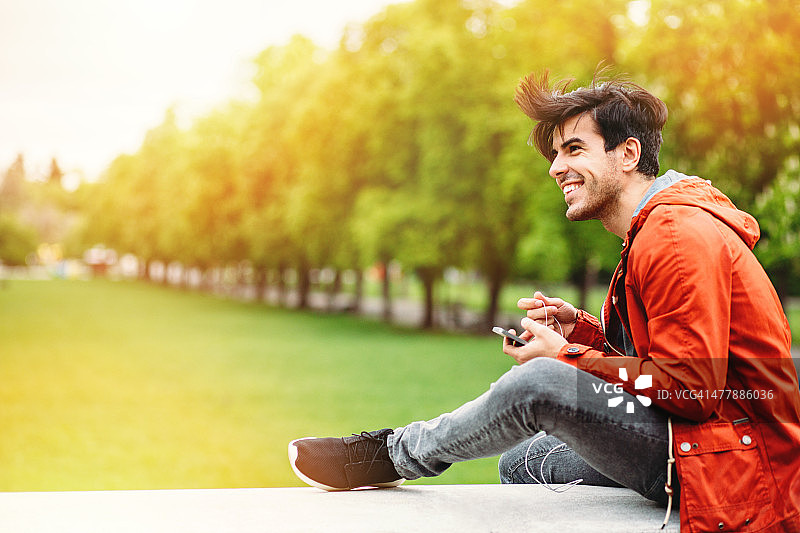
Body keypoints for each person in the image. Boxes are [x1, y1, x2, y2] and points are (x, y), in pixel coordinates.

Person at [288, 71, 800, 532]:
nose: (557, 168)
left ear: (627, 154)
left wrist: (564, 359)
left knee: (537, 384)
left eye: (574, 149)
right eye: (556, 154)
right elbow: (658, 362)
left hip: (737, 463)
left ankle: (385, 456)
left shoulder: (673, 234)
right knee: (522, 462)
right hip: (708, 440)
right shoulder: (654, 230)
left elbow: (691, 389)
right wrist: (579, 332)